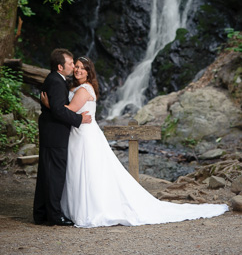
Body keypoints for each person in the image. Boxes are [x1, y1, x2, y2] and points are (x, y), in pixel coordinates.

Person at [42, 56, 229, 228]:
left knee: (88, 171)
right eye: (76, 67)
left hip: (84, 134)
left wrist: (49, 105)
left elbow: (65, 109)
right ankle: (72, 209)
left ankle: (90, 208)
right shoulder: (75, 87)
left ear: (89, 72)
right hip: (77, 132)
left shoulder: (84, 90)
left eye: (83, 68)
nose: (78, 70)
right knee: (77, 171)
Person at [33, 49, 91, 226]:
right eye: (71, 64)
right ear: (60, 66)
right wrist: (79, 119)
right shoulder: (57, 82)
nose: (74, 67)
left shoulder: (56, 79)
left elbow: (55, 107)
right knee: (54, 175)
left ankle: (42, 213)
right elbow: (58, 110)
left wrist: (50, 105)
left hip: (52, 131)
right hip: (55, 133)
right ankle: (54, 216)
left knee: (47, 173)